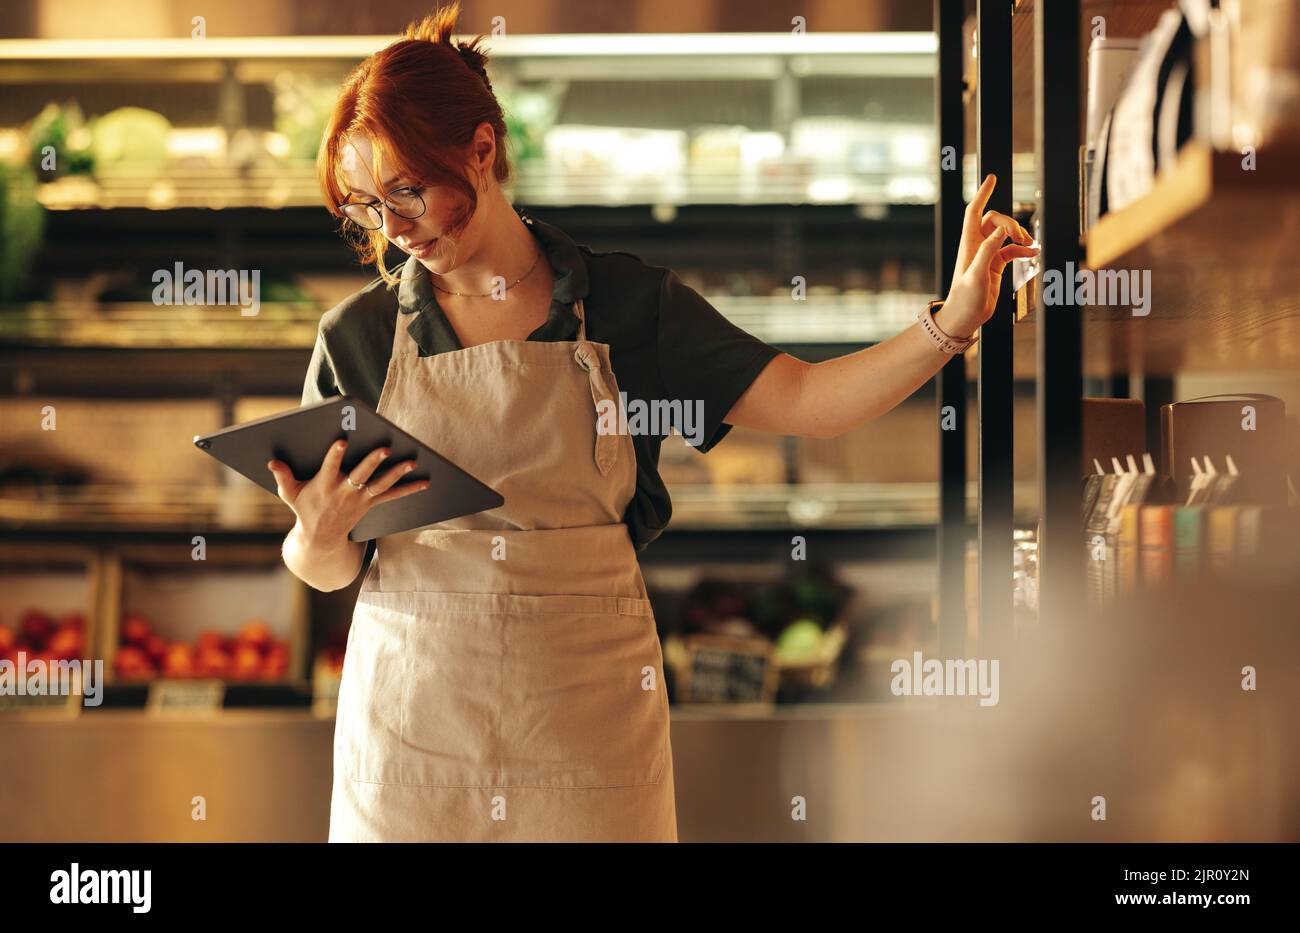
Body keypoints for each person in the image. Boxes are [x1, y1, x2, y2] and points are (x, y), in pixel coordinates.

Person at [269, 3, 1036, 842]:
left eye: (406, 192)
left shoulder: (632, 307)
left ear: (480, 151)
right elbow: (323, 566)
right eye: (365, 209)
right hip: (415, 737)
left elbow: (811, 402)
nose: (392, 230)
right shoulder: (359, 335)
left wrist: (954, 321)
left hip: (584, 726)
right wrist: (318, 534)